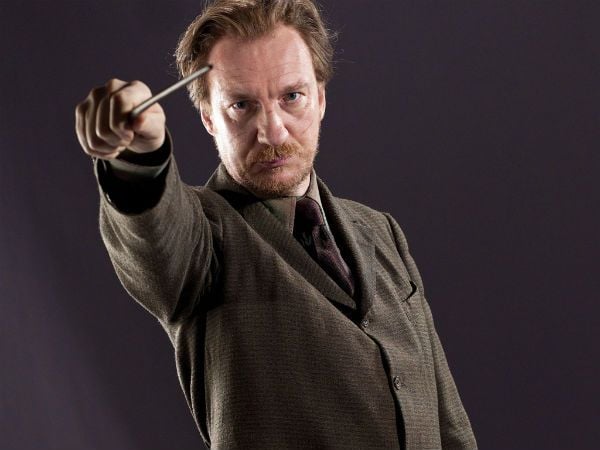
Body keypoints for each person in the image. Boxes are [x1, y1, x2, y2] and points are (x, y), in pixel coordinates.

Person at [75, 1, 476, 448]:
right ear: (209, 118)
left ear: (320, 98)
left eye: (291, 97)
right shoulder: (204, 240)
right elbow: (157, 238)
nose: (273, 131)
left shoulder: (382, 231)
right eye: (241, 105)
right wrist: (139, 158)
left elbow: (448, 422)